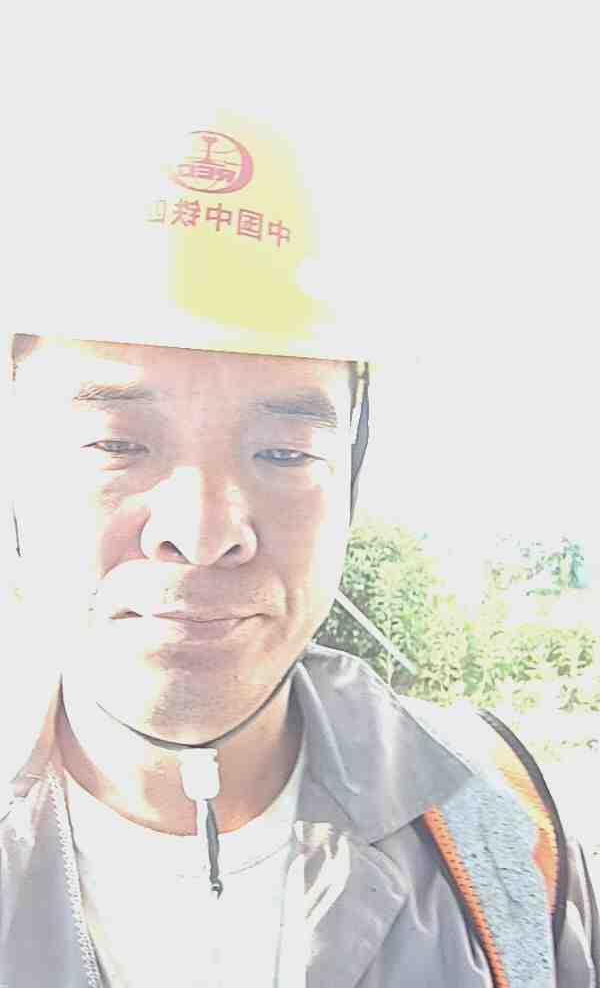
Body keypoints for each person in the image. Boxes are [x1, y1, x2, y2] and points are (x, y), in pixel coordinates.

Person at [1, 111, 598, 987]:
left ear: (350, 478)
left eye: (283, 454)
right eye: (116, 444)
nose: (205, 531)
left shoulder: (501, 828)